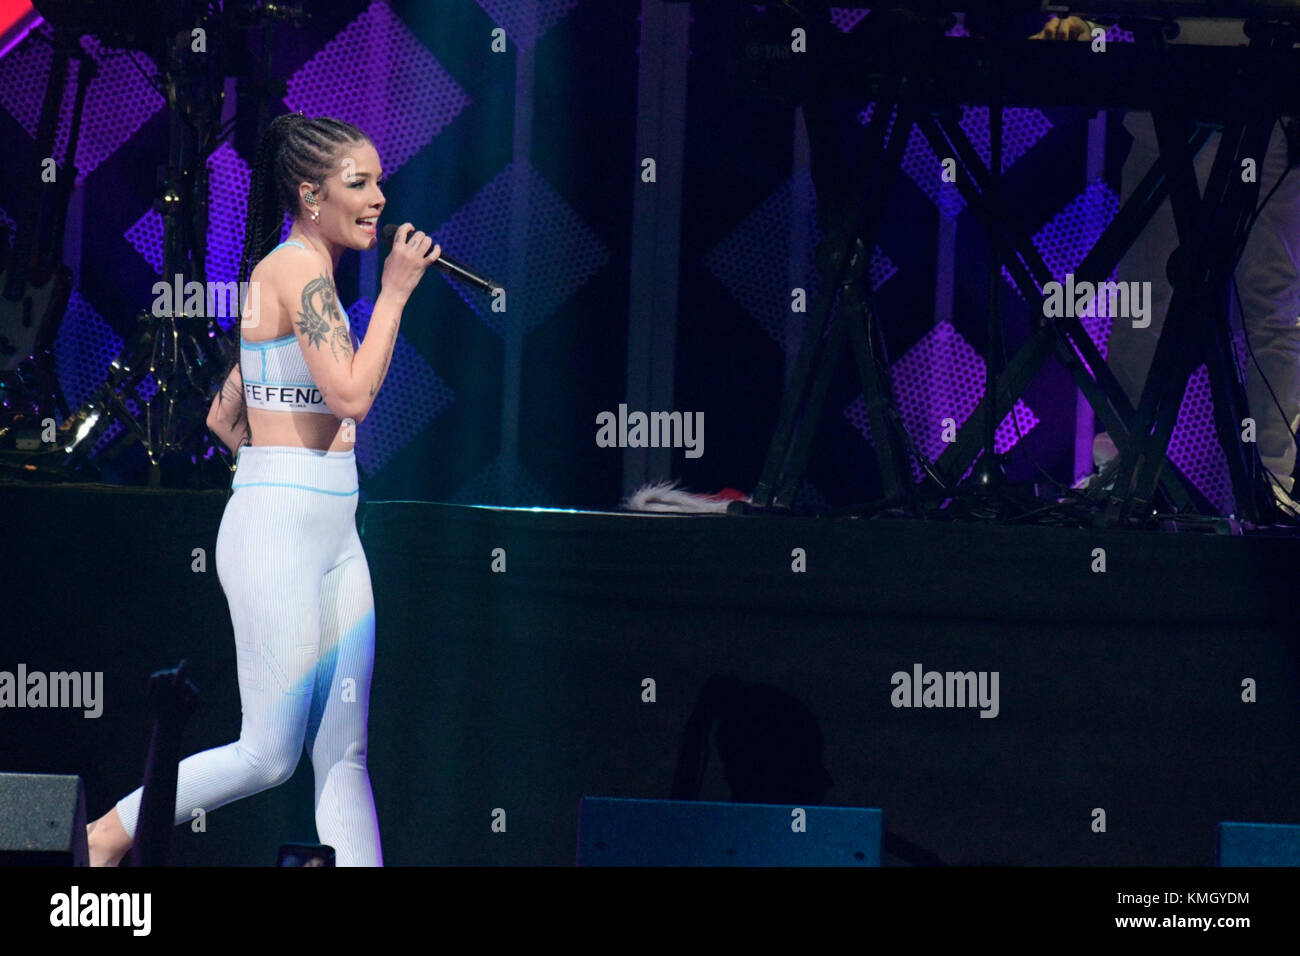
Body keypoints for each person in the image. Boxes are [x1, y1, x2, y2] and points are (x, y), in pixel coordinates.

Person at [84, 112, 440, 866]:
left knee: (344, 754)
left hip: (332, 528)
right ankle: (105, 838)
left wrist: (280, 457)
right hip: (282, 529)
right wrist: (399, 294)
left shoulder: (303, 276)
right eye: (359, 183)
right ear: (312, 195)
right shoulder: (293, 269)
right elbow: (350, 396)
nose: (379, 197)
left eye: (379, 180)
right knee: (269, 754)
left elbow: (222, 417)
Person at [1034, 15, 1300, 515]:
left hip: (1278, 109)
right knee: (1145, 304)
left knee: (1272, 308)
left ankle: (1271, 486)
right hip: (1174, 86)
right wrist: (1084, 21)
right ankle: (1121, 473)